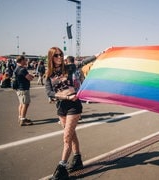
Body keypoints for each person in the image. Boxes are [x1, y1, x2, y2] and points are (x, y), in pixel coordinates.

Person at [45, 47, 104, 180]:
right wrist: (64, 96)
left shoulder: (69, 68)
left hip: (74, 106)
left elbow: (83, 62)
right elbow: (49, 92)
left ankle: (62, 167)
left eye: (61, 55)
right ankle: (77, 159)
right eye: (56, 55)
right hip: (61, 107)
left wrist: (99, 54)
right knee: (71, 135)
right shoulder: (49, 74)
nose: (60, 57)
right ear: (51, 58)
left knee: (66, 137)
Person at [14, 55, 34, 126]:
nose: (26, 61)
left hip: (19, 88)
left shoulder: (16, 68)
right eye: (25, 60)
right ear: (21, 61)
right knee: (26, 104)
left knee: (21, 104)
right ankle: (23, 119)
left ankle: (20, 117)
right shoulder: (22, 69)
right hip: (23, 89)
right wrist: (32, 76)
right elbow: (29, 78)